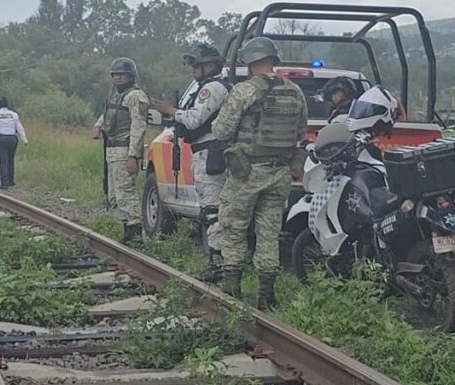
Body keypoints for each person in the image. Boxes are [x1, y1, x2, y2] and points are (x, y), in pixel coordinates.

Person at [213, 37, 308, 309]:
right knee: (269, 232)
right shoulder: (295, 91)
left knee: (234, 227)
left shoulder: (245, 91)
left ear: (251, 62)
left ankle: (232, 291)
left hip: (247, 173)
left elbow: (221, 131)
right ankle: (266, 297)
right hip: (280, 173)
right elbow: (300, 131)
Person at [150, 43, 230, 281]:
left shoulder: (212, 88)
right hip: (207, 152)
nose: (192, 71)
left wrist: (172, 111)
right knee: (213, 210)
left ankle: (218, 264)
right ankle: (221, 261)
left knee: (212, 211)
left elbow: (195, 120)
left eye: (197, 66)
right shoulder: (212, 87)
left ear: (211, 65)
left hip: (210, 153)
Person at [91, 57, 149, 245]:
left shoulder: (136, 96)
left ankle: (135, 233)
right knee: (115, 195)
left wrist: (133, 155)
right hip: (112, 150)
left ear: (131, 76)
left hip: (124, 150)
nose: (118, 78)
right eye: (115, 75)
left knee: (126, 192)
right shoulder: (117, 96)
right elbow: (109, 112)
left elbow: (139, 127)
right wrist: (98, 125)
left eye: (122, 75)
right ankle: (127, 231)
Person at [0, 97, 28, 189]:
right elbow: (19, 128)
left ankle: (4, 182)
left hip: (1, 138)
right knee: (11, 159)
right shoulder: (14, 115)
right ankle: (11, 180)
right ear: (7, 105)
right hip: (12, 138)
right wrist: (24, 140)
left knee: (3, 161)